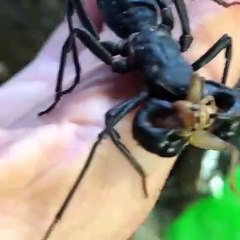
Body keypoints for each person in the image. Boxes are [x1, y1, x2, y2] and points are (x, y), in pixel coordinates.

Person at [0, 1, 239, 239]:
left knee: (225, 42)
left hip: (145, 27)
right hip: (128, 20)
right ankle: (56, 220)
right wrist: (62, 93)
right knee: (104, 128)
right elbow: (76, 35)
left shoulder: (179, 54)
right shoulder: (125, 59)